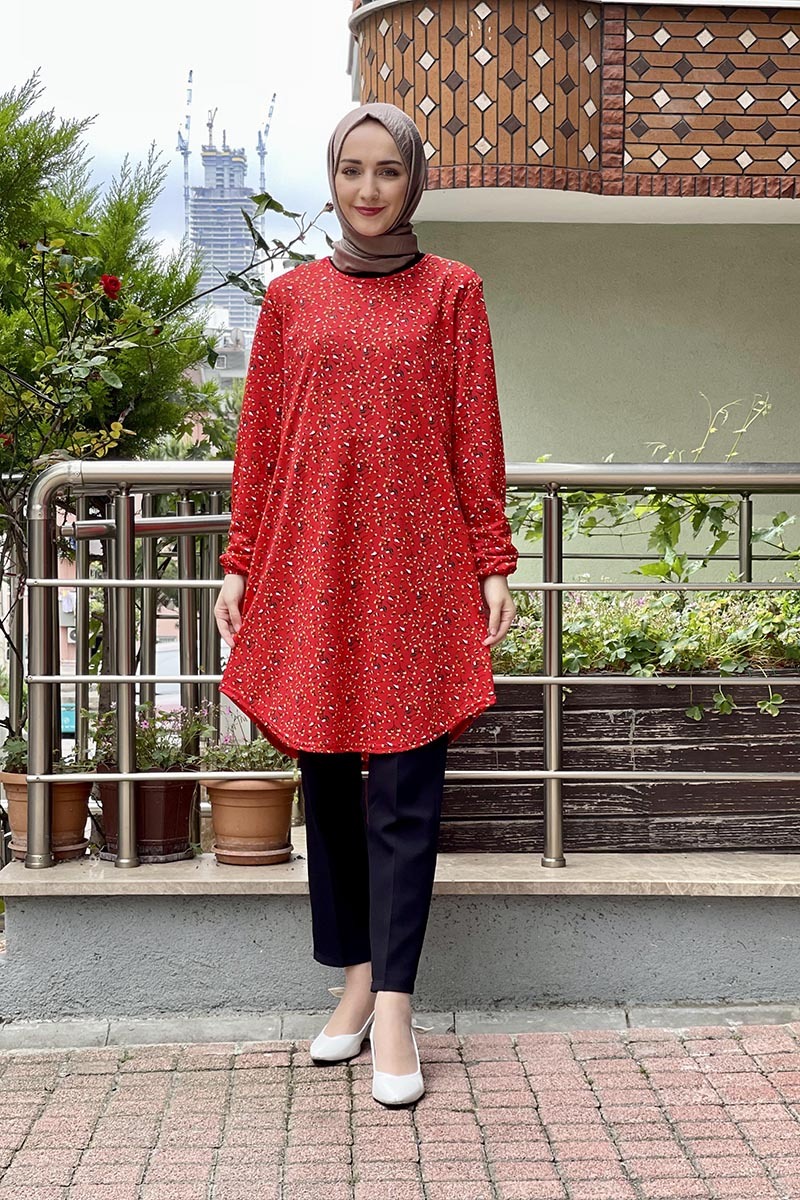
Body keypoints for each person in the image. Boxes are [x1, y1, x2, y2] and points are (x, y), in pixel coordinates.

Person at [214, 102, 518, 1106]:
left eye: (388, 170)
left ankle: (394, 1003)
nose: (368, 189)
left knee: (405, 792)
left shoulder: (453, 292)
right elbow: (261, 442)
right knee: (329, 783)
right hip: (313, 567)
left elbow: (474, 434)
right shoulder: (290, 299)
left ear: (413, 180)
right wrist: (240, 563)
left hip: (419, 571)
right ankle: (352, 977)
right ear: (333, 177)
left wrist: (492, 561)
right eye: (352, 169)